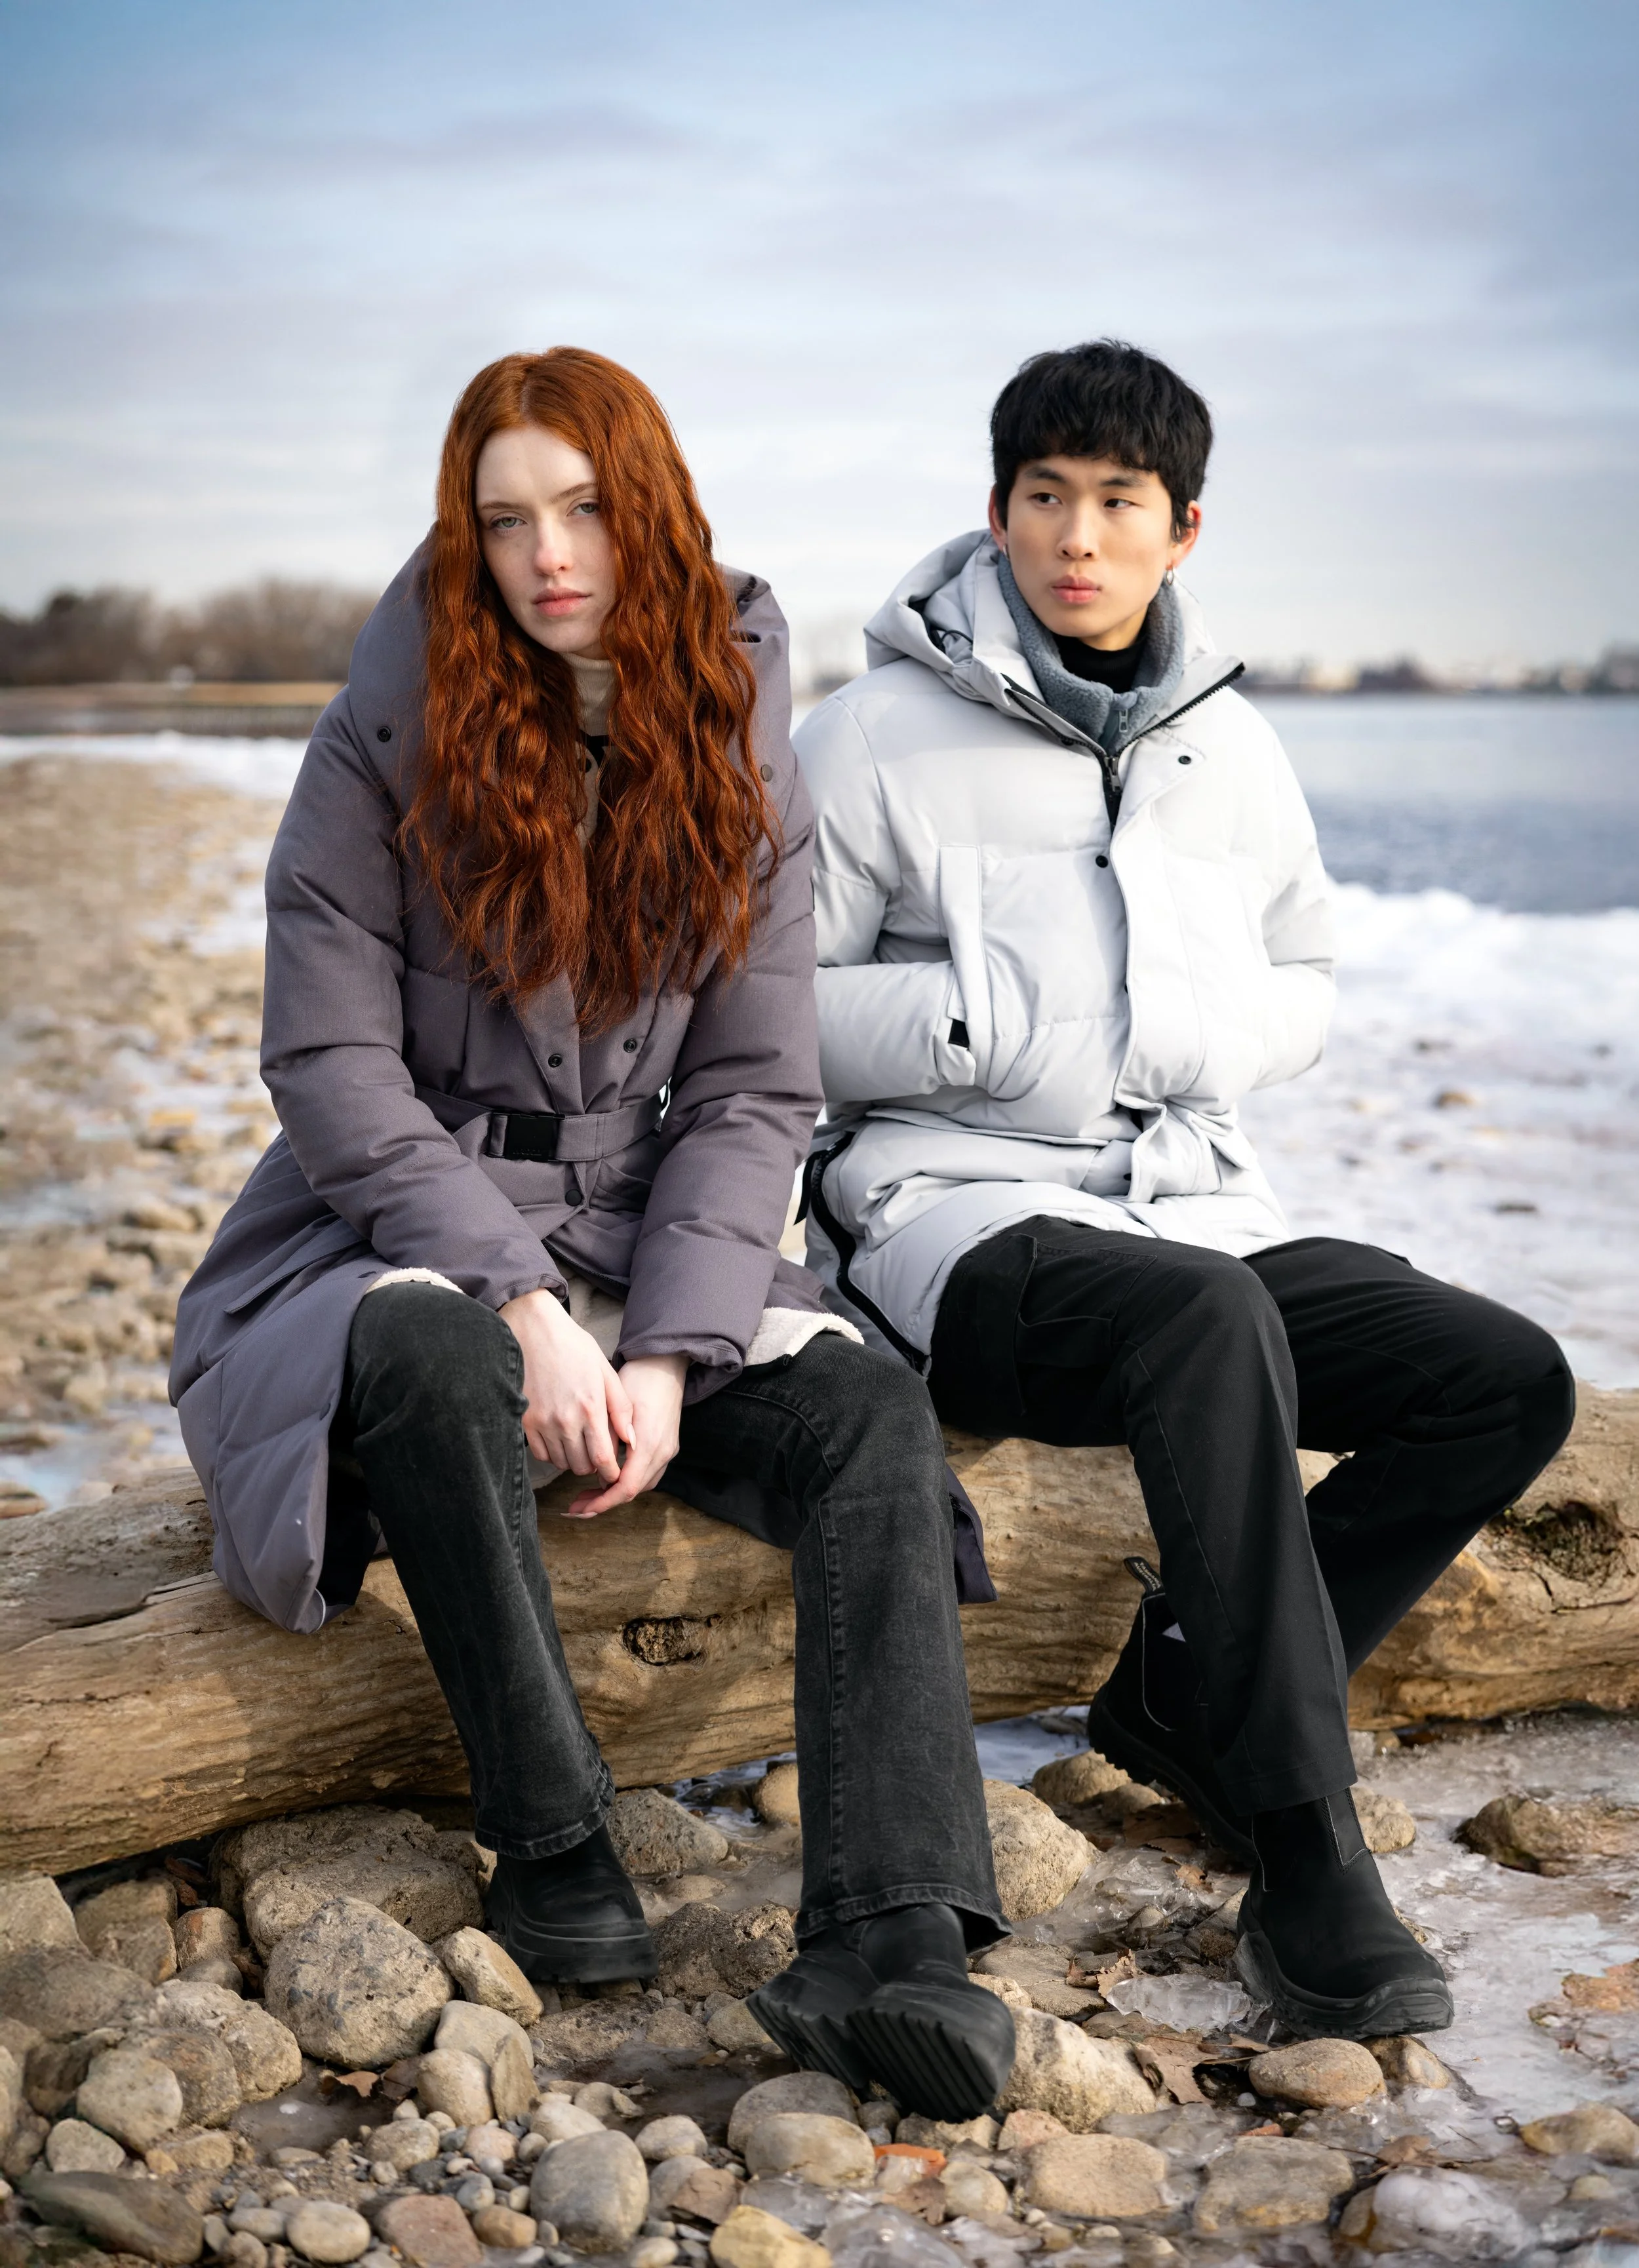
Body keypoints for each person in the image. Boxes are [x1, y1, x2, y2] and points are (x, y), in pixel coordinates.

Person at [170, 348, 1014, 2117]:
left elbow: (752, 1091)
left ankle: (893, 1930)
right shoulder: (378, 737)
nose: (550, 553)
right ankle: (554, 1845)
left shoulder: (739, 750)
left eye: (583, 508)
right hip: (388, 1228)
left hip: (646, 1237)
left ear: (652, 508)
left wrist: (664, 1346)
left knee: (863, 1411)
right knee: (423, 1344)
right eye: (505, 519)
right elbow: (328, 1067)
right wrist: (520, 1305)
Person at [794, 338, 1575, 2041]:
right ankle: (1302, 1851)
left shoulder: (1229, 746)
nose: (1079, 536)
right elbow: (756, 1008)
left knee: (1503, 1377)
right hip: (957, 1222)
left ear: (1183, 530)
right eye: (1045, 498)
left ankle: (1173, 1696)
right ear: (995, 513)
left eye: (1119, 504)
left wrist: (1196, 1028)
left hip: (1192, 1203)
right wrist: (977, 1024)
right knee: (1207, 1319)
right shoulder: (866, 738)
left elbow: (1306, 969)